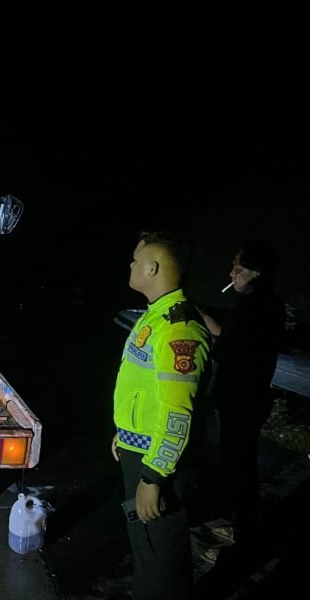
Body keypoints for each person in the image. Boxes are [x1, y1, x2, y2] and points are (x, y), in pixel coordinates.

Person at [111, 231, 211, 600]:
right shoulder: (156, 315)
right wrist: (125, 431)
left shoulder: (177, 328)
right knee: (146, 548)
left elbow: (177, 414)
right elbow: (146, 391)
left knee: (160, 555)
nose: (131, 265)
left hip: (159, 464)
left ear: (153, 268)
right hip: (142, 450)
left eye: (136, 260)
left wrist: (153, 476)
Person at [197, 240, 285, 565]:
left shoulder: (257, 305)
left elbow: (228, 347)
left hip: (243, 400)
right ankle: (242, 526)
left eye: (239, 267)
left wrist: (200, 315)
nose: (232, 272)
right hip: (248, 398)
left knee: (240, 468)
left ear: (256, 272)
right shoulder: (264, 302)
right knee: (239, 465)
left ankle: (245, 544)